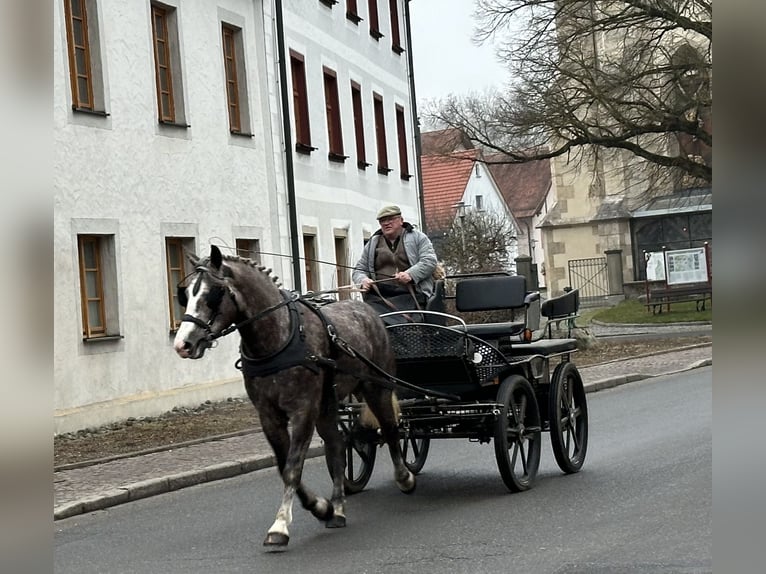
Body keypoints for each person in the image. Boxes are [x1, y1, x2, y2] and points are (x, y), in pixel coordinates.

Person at [352, 205, 437, 323]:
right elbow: (359, 269)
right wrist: (362, 280)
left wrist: (410, 274)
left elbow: (429, 261)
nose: (386, 223)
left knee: (408, 325)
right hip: (379, 298)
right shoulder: (373, 243)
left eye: (390, 219)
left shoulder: (418, 238)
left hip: (412, 295)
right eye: (382, 221)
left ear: (401, 220)